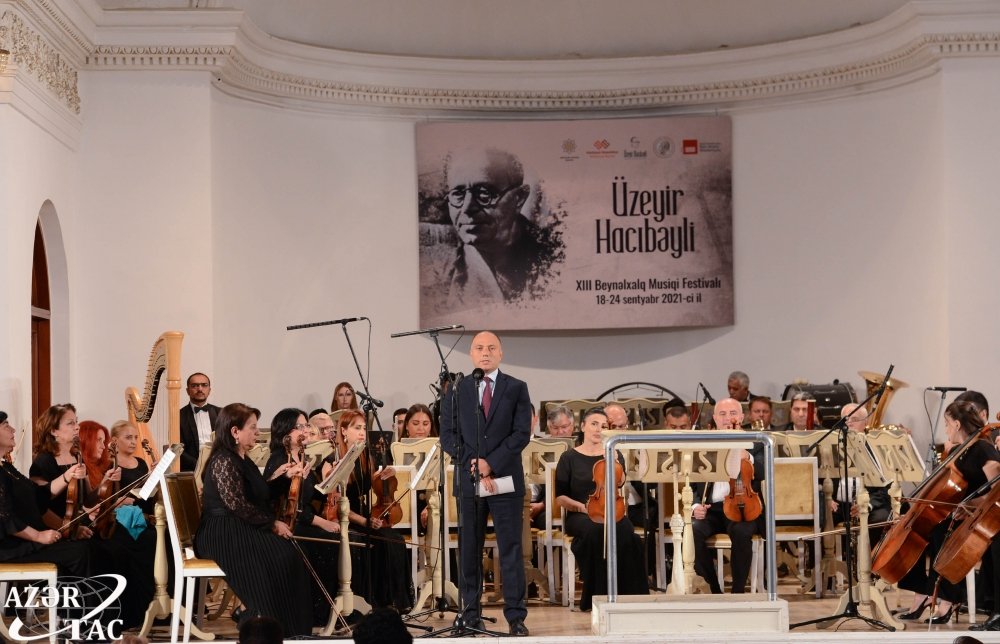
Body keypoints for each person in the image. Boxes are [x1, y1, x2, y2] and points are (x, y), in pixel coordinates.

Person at [439, 331, 531, 636]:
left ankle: (516, 618)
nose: (485, 352)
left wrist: (491, 463)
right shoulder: (457, 390)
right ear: (471, 353)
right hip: (469, 480)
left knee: (511, 549)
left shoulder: (516, 388)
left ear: (501, 353)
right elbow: (448, 435)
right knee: (469, 550)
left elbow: (521, 433)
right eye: (479, 348)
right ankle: (470, 615)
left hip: (505, 479)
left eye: (492, 348)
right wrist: (475, 464)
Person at [194, 403, 312, 636]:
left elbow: (259, 495)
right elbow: (236, 504)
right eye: (253, 427)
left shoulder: (242, 458)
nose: (258, 432)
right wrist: (272, 524)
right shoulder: (223, 460)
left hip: (238, 524)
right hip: (221, 531)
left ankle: (289, 629)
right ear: (235, 432)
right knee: (279, 555)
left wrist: (286, 478)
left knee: (289, 554)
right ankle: (263, 624)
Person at [420, 147, 562, 310]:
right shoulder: (436, 274)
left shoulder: (558, 260)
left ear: (519, 198)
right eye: (458, 194)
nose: (467, 208)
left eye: (484, 193)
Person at [896, 401, 1000, 623]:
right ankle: (922, 591)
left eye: (947, 424)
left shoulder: (983, 449)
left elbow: (996, 492)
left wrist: (973, 505)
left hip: (979, 515)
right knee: (916, 526)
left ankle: (948, 599)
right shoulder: (960, 450)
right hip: (960, 511)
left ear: (957, 424)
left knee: (939, 532)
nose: (946, 429)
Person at [554, 407, 649, 611]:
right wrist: (582, 507)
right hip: (580, 514)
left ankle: (629, 596)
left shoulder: (614, 453)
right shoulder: (569, 457)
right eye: (594, 424)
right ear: (583, 427)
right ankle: (596, 595)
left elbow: (620, 483)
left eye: (604, 426)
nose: (599, 429)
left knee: (627, 532)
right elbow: (560, 496)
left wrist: (614, 461)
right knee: (596, 531)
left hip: (610, 510)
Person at [329, 410, 413, 611]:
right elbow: (337, 506)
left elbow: (374, 482)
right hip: (346, 519)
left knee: (395, 539)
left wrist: (387, 473)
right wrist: (365, 521)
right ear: (343, 431)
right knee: (381, 541)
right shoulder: (334, 459)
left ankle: (397, 602)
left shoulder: (365, 456)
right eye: (356, 428)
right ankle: (377, 602)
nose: (362, 432)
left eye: (364, 428)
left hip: (363, 517)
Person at [263, 408, 340, 627]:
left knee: (339, 540)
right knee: (329, 543)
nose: (306, 430)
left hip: (300, 520)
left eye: (306, 425)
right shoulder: (279, 459)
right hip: (285, 525)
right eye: (301, 426)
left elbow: (308, 497)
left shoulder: (302, 457)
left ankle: (330, 608)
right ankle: (317, 612)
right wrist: (322, 522)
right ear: (285, 432)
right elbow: (284, 504)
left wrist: (330, 478)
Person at [79, 420, 156, 630]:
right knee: (145, 541)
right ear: (115, 441)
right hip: (117, 520)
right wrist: (118, 501)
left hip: (138, 515)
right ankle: (137, 610)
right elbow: (97, 500)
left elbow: (146, 497)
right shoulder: (106, 465)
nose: (133, 442)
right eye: (128, 437)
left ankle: (159, 604)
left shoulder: (141, 464)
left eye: (135, 438)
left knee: (160, 538)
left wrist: (154, 480)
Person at [0, 410, 91, 576]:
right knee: (79, 553)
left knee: (83, 548)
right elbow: (5, 518)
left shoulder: (6, 467)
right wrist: (38, 536)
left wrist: (67, 475)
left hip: (24, 540)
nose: (13, 429)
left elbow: (38, 496)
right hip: (10, 547)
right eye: (6, 426)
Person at [690, 398, 765, 594]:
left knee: (741, 532)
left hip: (744, 509)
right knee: (692, 530)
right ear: (715, 418)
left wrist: (747, 455)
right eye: (722, 414)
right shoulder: (703, 444)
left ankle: (738, 592)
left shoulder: (757, 442)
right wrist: (695, 505)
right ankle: (713, 589)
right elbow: (692, 483)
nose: (728, 418)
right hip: (712, 509)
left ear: (742, 417)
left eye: (733, 414)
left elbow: (765, 472)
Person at [828, 404, 891, 549]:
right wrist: (827, 499)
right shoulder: (831, 446)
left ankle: (872, 560)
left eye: (855, 419)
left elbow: (885, 489)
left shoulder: (877, 448)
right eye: (845, 419)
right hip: (839, 504)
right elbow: (819, 479)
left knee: (881, 519)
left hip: (870, 502)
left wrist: (867, 504)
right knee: (819, 516)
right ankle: (822, 561)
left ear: (866, 422)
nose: (849, 423)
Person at [179, 372, 220, 472]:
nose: (200, 389)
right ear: (188, 391)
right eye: (195, 386)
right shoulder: (179, 416)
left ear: (209, 390)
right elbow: (179, 449)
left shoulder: (221, 413)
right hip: (191, 470)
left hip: (219, 466)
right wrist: (200, 465)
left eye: (204, 385)